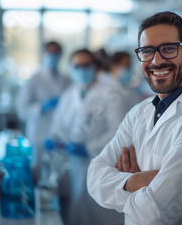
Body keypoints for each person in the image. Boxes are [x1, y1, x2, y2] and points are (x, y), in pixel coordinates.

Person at [87, 11, 182, 225]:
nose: (156, 61)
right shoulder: (139, 113)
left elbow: (154, 214)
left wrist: (118, 186)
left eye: (168, 49)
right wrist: (135, 180)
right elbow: (93, 177)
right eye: (147, 51)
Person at [50, 49, 126, 225]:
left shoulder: (110, 93)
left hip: (101, 161)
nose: (81, 70)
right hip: (73, 162)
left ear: (95, 67)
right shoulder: (69, 94)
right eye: (77, 66)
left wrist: (90, 147)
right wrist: (55, 139)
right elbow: (58, 124)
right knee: (75, 210)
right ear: (71, 68)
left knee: (99, 213)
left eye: (86, 65)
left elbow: (118, 130)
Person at [15, 41, 70, 174]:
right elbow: (21, 111)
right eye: (49, 53)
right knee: (38, 173)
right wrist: (41, 107)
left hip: (60, 136)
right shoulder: (33, 80)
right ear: (43, 54)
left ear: (61, 55)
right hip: (38, 136)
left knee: (59, 174)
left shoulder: (67, 80)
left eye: (56, 53)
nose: (53, 56)